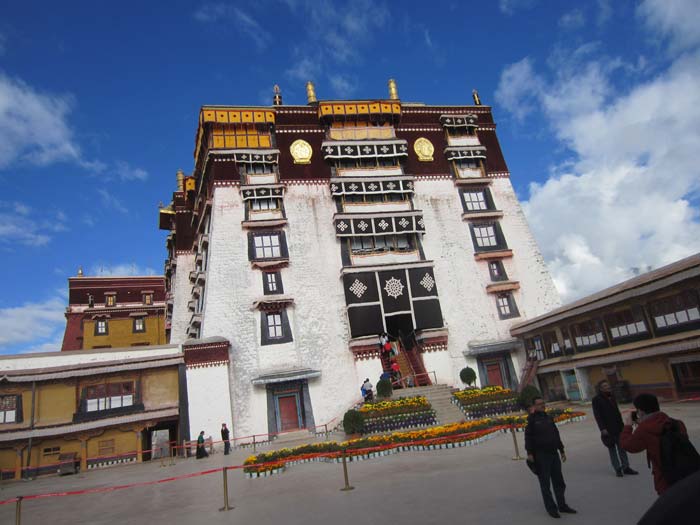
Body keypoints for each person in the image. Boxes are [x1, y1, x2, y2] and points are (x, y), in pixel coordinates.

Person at [620, 393, 691, 495]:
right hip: (687, 474)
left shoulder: (644, 430)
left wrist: (627, 426)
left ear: (641, 411)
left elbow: (628, 445)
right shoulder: (677, 423)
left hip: (665, 480)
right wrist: (643, 423)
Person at [525, 397, 577, 519]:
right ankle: (551, 508)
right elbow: (528, 437)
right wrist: (530, 453)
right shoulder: (532, 420)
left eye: (543, 403)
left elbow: (556, 434)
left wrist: (562, 450)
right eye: (539, 404)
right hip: (541, 456)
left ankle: (562, 505)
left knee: (559, 481)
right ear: (534, 407)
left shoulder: (548, 418)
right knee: (545, 484)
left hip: (554, 453)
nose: (542, 406)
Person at [592, 380, 638, 477]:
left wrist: (622, 425)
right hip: (607, 429)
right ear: (600, 388)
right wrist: (602, 428)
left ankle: (626, 467)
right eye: (604, 386)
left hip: (618, 427)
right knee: (612, 449)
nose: (607, 387)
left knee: (622, 447)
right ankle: (617, 469)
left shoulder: (612, 397)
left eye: (608, 385)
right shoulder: (596, 399)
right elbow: (597, 415)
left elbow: (616, 412)